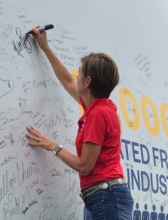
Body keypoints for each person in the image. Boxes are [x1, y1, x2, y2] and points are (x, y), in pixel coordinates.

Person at [26, 26, 134, 220]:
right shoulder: (99, 106)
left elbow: (84, 166)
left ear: (87, 82)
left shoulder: (98, 115)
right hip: (102, 197)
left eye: (80, 73)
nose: (76, 76)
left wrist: (53, 146)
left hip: (106, 198)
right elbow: (67, 81)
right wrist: (46, 48)